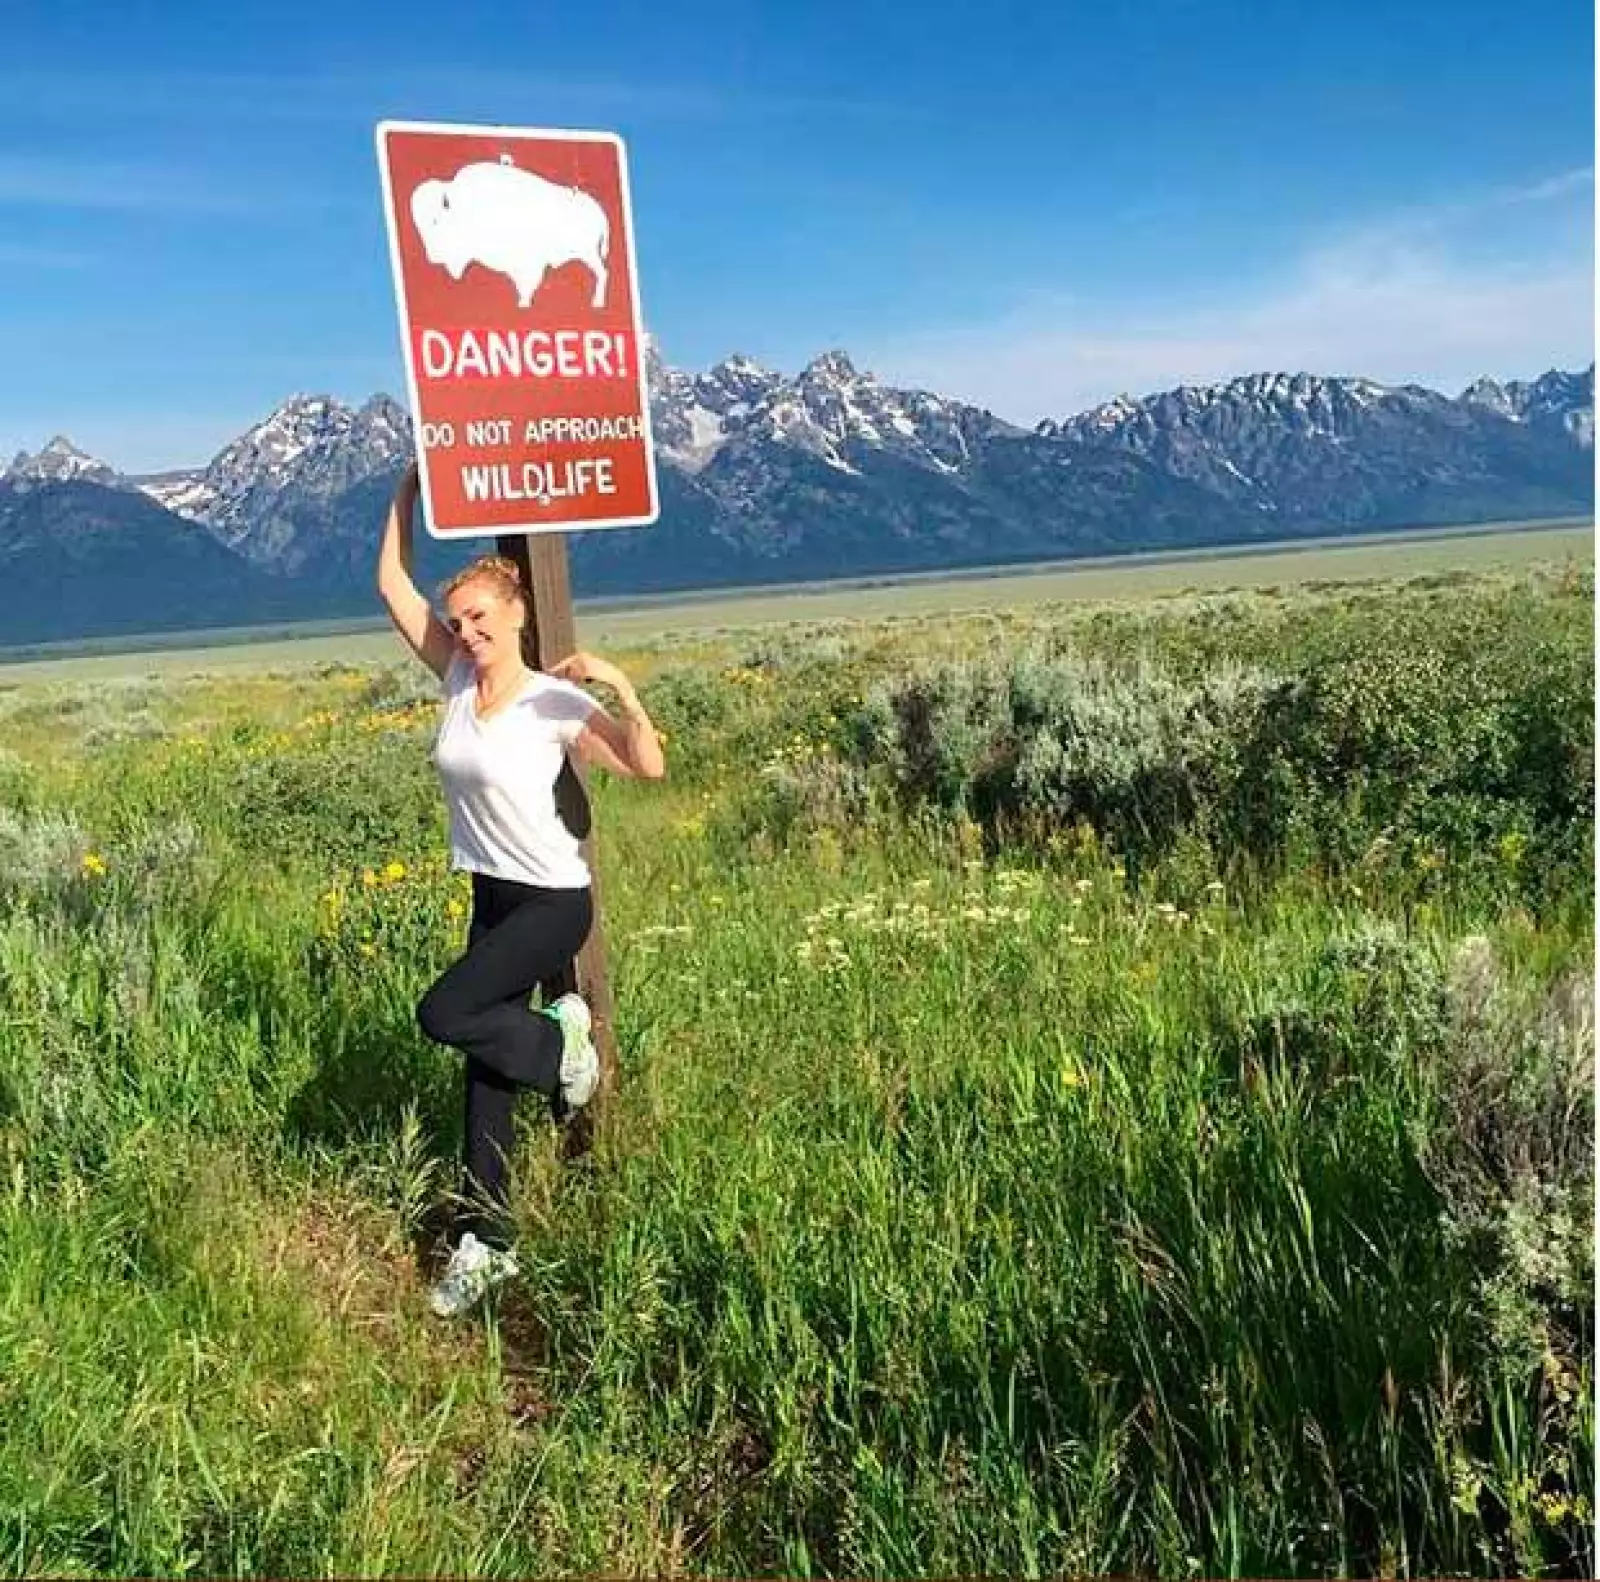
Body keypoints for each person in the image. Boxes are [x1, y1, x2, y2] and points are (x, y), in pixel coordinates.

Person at [376, 461, 665, 1318]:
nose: (466, 633)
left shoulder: (554, 703)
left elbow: (648, 765)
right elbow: (389, 581)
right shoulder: (457, 681)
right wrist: (407, 491)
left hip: (551, 901)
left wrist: (617, 685)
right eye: (458, 620)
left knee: (446, 1014)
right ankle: (489, 1240)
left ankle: (563, 1048)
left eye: (481, 619)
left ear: (517, 616)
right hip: (492, 895)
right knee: (480, 1071)